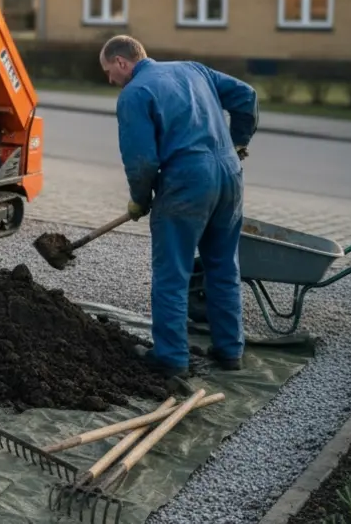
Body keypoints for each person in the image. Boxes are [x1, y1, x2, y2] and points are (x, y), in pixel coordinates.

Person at [98, 35, 259, 377]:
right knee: (223, 266)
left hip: (187, 182)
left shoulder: (135, 94)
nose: (109, 79)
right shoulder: (193, 69)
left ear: (122, 62)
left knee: (173, 272)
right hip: (230, 175)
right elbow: (246, 96)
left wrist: (140, 200)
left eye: (108, 71)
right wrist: (239, 141)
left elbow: (141, 162)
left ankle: (171, 359)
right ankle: (230, 352)